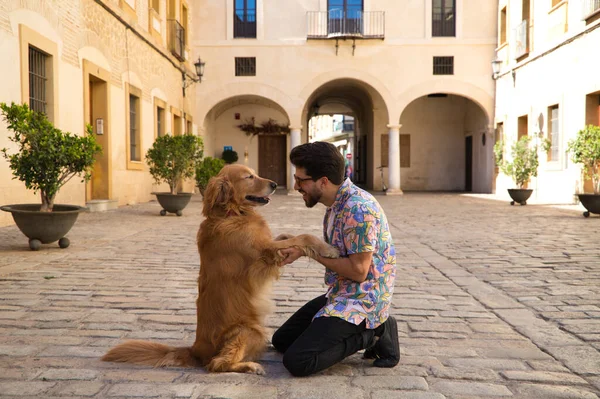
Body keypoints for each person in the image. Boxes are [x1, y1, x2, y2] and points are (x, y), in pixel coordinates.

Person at [272, 141, 399, 377]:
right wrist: (299, 245)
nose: (296, 185)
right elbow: (336, 251)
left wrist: (309, 248)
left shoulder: (358, 209)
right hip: (341, 292)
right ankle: (368, 328)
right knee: (281, 341)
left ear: (323, 181)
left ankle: (374, 332)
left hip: (363, 300)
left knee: (299, 361)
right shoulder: (336, 204)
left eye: (301, 180)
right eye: (295, 177)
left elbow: (359, 271)